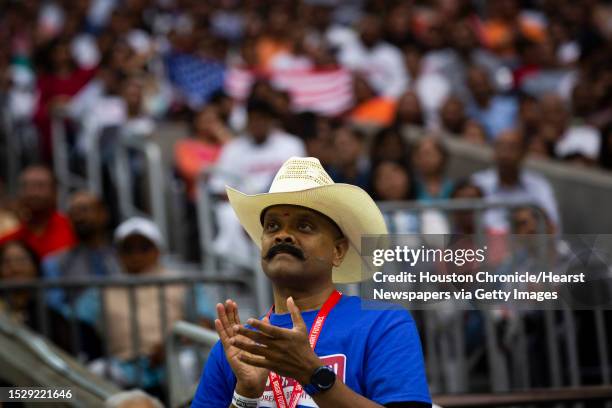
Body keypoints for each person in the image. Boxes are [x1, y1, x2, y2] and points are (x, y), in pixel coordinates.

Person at [192, 157, 431, 407]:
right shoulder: (237, 346)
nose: (282, 235)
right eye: (272, 226)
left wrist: (313, 375)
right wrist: (245, 396)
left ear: (338, 251)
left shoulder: (383, 324)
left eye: (304, 226)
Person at [87, 217, 214, 390]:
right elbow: (79, 325)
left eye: (144, 247)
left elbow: (205, 322)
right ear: (118, 253)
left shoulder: (181, 281)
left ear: (157, 250)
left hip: (174, 359)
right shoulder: (103, 289)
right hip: (122, 365)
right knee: (95, 372)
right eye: (128, 248)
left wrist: (171, 345)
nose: (136, 255)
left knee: (187, 365)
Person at [471, 130, 560, 233]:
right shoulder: (477, 183)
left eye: (512, 147)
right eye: (500, 146)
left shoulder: (539, 186)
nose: (505, 153)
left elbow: (553, 226)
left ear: (524, 153)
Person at [0, 165, 76, 257]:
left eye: (40, 186)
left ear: (55, 192)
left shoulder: (74, 230)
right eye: (27, 187)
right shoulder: (9, 241)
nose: (33, 193)